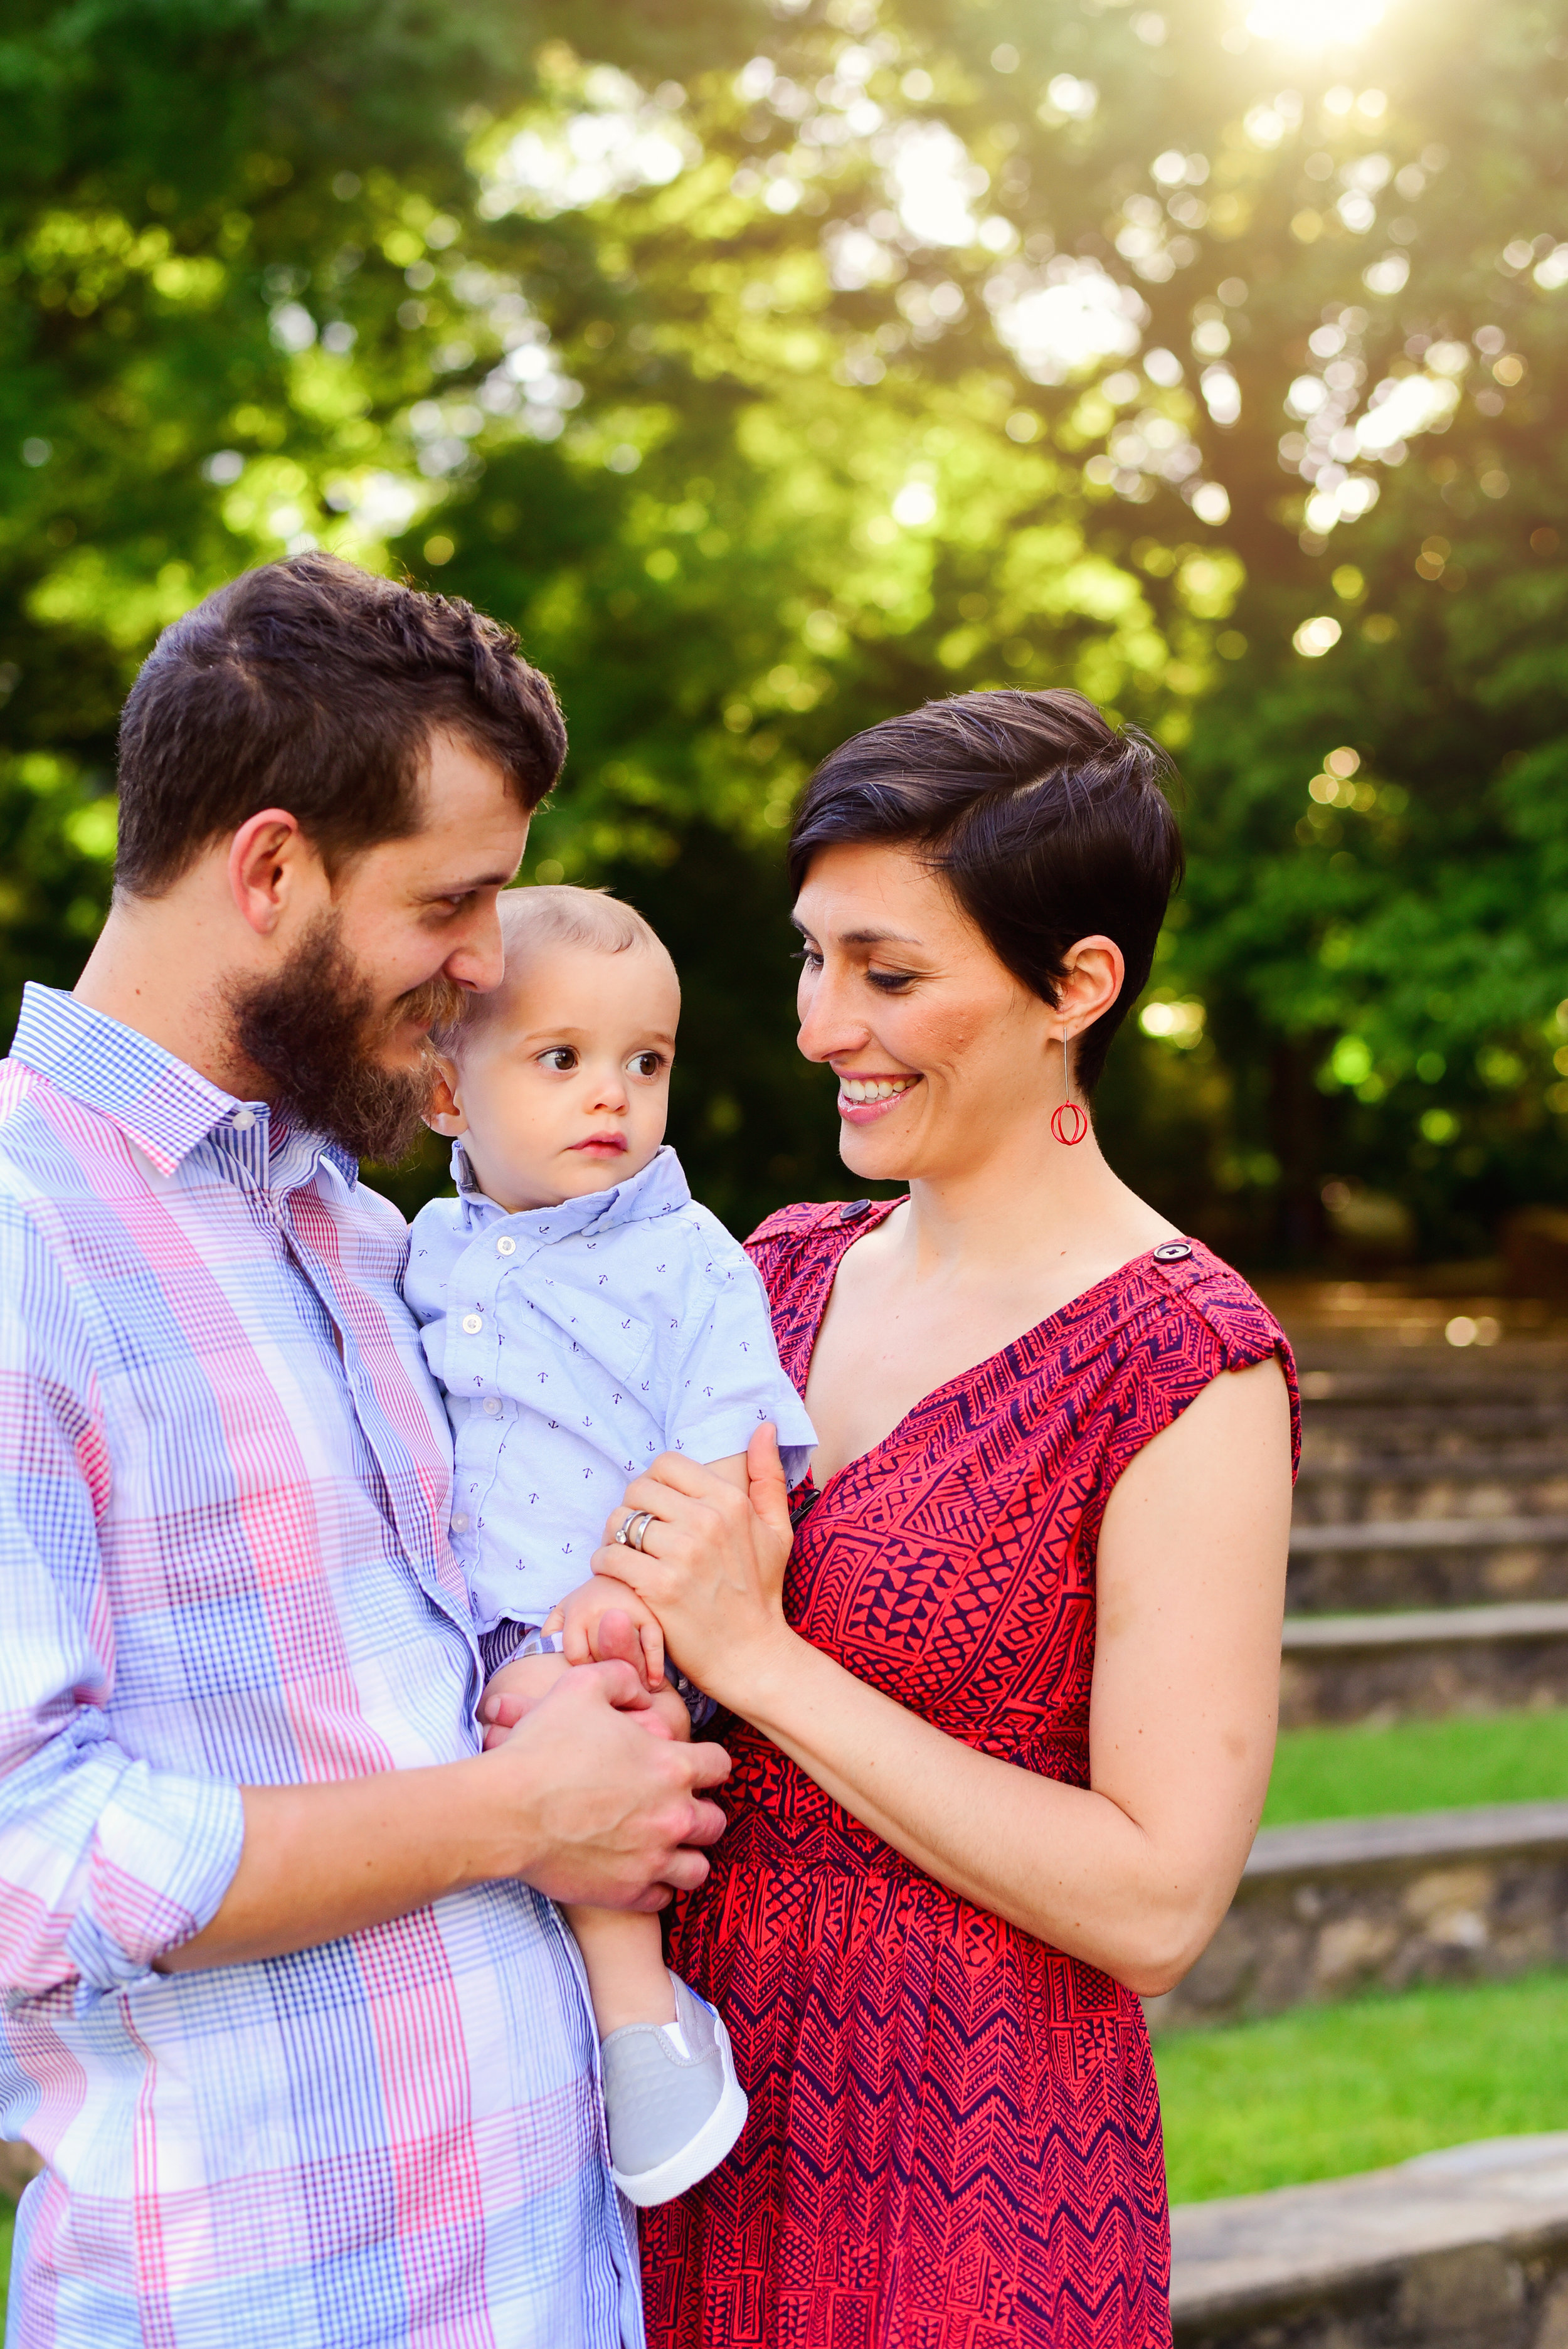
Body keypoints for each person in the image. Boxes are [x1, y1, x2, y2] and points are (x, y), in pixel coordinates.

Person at [0, 553, 729, 2349]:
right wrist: (517, 1813)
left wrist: (552, 1687)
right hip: (259, 2299)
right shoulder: (23, 1235)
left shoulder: (362, 1232)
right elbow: (29, 1864)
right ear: (270, 870)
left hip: (543, 2277)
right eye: (454, 901)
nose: (489, 960)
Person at [598, 690, 1299, 2346]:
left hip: (963, 2210)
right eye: (811, 957)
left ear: (1078, 985)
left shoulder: (1184, 1364)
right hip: (669, 2155)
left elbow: (1154, 1904)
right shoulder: (763, 1272)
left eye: (888, 974)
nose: (822, 1023)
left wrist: (759, 1661)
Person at [403, 883, 814, 2206]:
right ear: (444, 1097)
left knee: (557, 1718)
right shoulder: (420, 1250)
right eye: (561, 1058)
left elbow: (736, 1450)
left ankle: (642, 2024)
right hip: (475, 1625)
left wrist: (618, 1576)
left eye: (645, 1063)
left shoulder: (683, 1255)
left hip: (620, 1629)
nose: (612, 1097)